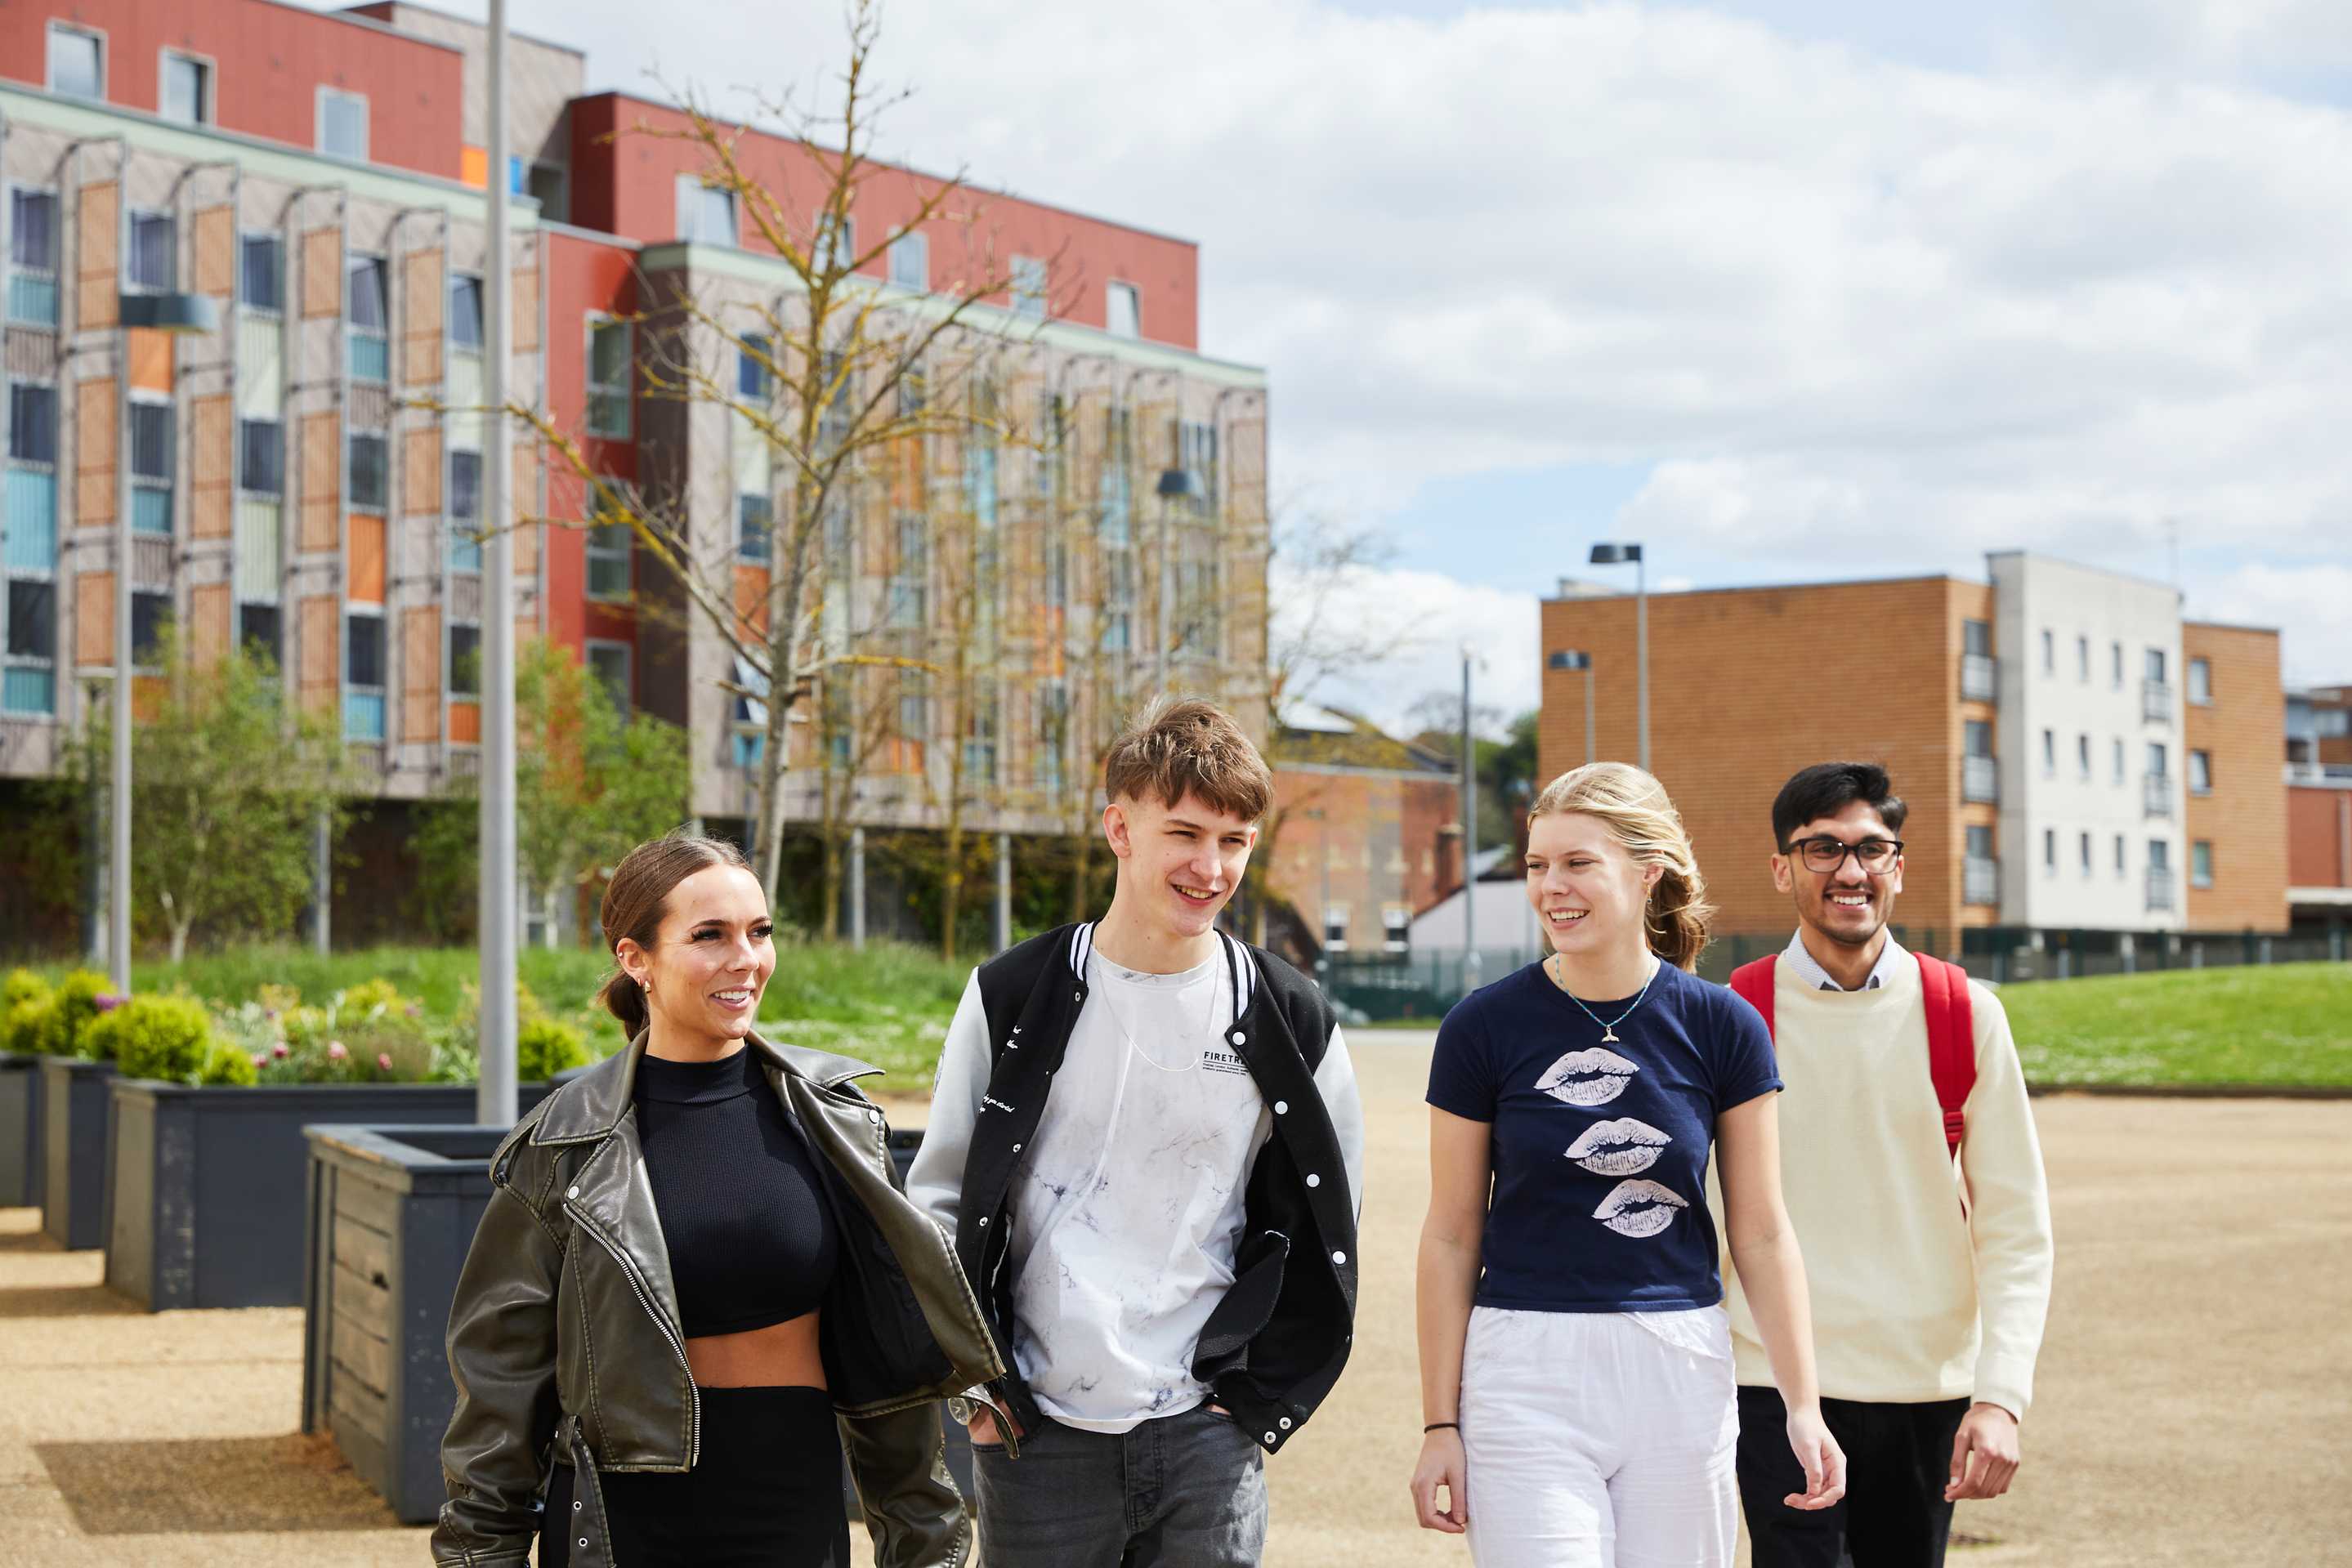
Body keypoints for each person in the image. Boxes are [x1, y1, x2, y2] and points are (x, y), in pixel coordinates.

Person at [435, 831, 1004, 1568]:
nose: (746, 958)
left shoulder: (833, 1120)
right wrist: (481, 1554)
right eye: (710, 935)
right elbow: (499, 1384)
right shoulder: (561, 1145)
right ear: (634, 958)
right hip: (623, 1524)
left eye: (759, 932)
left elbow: (888, 1365)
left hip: (793, 1509)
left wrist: (926, 1540)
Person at [905, 695, 1366, 1566]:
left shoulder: (1287, 1014)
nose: (1211, 865)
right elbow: (937, 1194)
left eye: (1234, 841)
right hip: (1037, 1432)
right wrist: (975, 1386)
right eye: (1185, 834)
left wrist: (1259, 1392)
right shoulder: (1014, 994)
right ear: (1119, 828)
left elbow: (1329, 1216)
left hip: (1206, 1430)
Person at [1411, 762, 1845, 1567]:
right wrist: (1440, 1421)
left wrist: (1802, 1403)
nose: (1550, 886)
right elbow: (1448, 1234)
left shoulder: (1725, 1025)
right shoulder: (1482, 1025)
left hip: (1679, 1363)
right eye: (1538, 864)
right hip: (1523, 1367)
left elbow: (1760, 1230)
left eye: (1578, 862)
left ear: (1648, 872)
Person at [1719, 762, 2054, 1568]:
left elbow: (2016, 1226)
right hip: (1771, 1381)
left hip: (1925, 1388)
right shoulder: (1732, 1012)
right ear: (1781, 867)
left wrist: (2000, 1394)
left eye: (1870, 848)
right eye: (1821, 847)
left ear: (1897, 866)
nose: (1849, 869)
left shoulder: (1962, 1010)